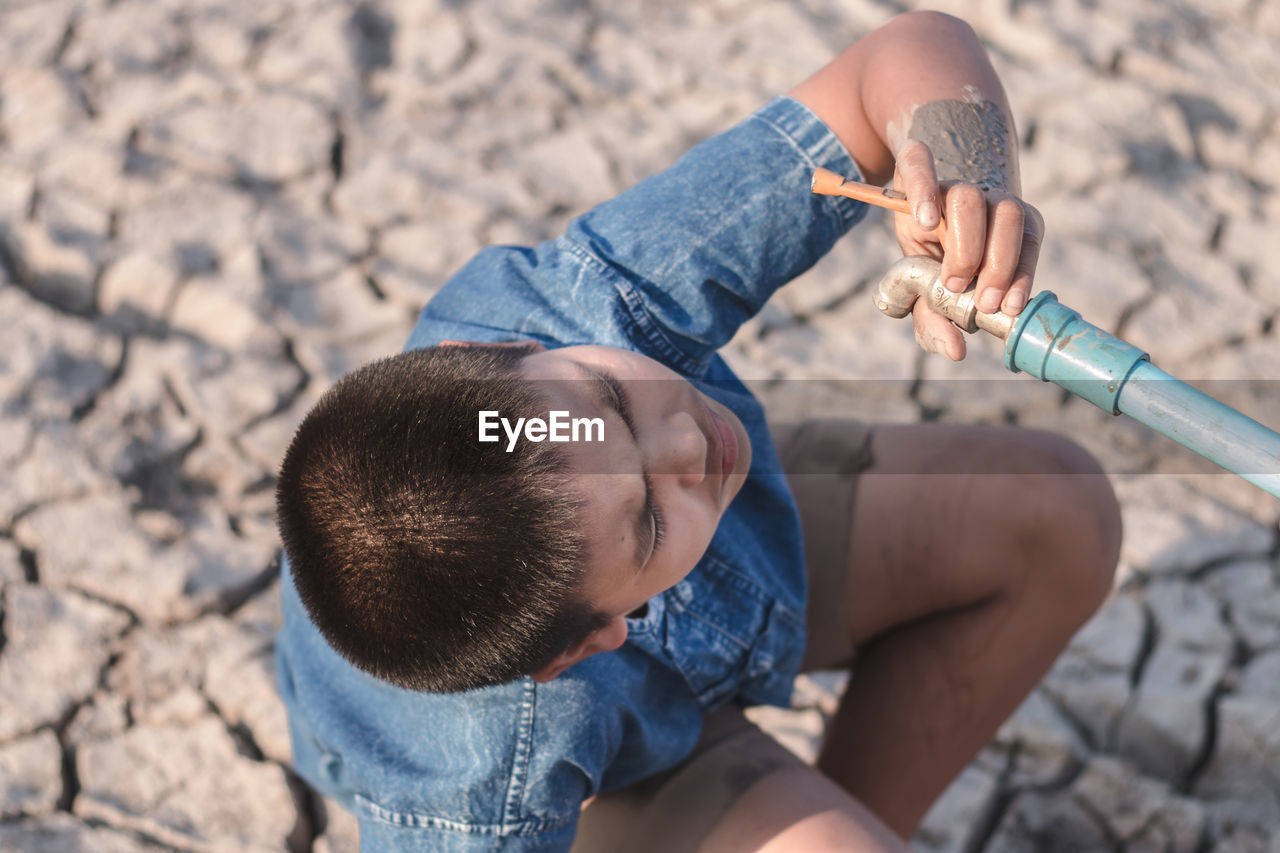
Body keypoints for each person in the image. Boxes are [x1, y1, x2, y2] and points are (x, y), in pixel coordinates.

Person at [273, 11, 1122, 851]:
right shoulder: (480, 786)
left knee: (1056, 509)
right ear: (587, 644)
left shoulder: (579, 307)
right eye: (646, 515)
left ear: (505, 347)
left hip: (741, 551)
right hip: (608, 777)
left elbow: (896, 57)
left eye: (609, 399)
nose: (683, 442)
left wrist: (967, 183)